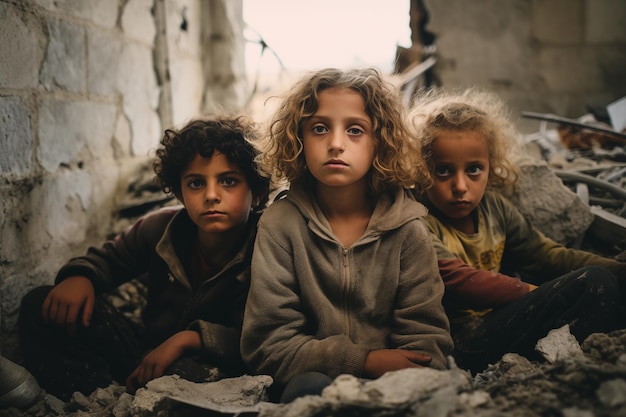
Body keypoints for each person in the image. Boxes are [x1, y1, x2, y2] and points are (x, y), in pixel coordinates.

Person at [18, 115, 270, 401]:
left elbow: (262, 337)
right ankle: (99, 396)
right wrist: (82, 277)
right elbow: (108, 260)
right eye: (196, 184)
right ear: (179, 192)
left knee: (184, 372)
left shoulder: (267, 246)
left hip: (218, 365)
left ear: (258, 192)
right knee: (41, 304)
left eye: (228, 181)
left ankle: (142, 393)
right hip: (148, 351)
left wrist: (190, 339)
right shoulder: (161, 230)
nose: (211, 195)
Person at [240, 67, 453, 402]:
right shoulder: (280, 225)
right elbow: (268, 347)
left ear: (379, 142)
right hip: (313, 382)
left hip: (395, 385)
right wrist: (363, 361)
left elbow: (428, 342)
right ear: (298, 138)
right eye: (320, 128)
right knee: (306, 390)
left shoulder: (407, 228)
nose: (336, 144)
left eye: (355, 130)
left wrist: (405, 373)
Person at [409, 88, 626, 373]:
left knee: (604, 284)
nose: (460, 186)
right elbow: (457, 280)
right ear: (420, 169)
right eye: (443, 171)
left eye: (474, 169)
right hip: (463, 341)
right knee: (593, 285)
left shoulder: (495, 208)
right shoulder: (418, 220)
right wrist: (541, 294)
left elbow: (545, 255)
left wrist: (619, 269)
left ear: (491, 167)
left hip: (504, 320)